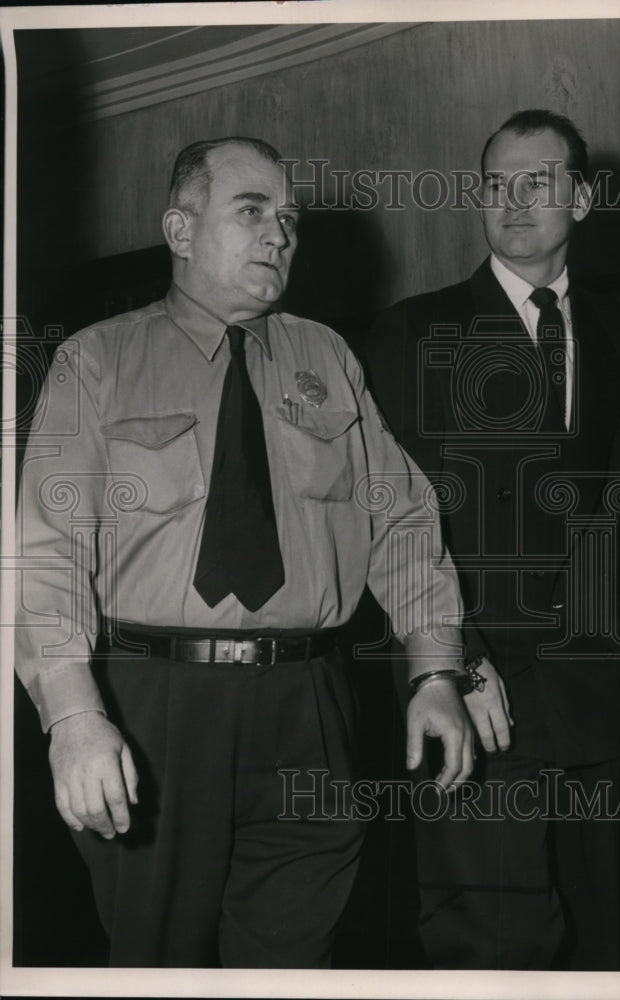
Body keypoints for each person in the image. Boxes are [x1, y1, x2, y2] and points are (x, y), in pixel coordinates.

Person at [14, 136, 475, 968]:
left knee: (296, 961)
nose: (280, 234)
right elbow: (44, 551)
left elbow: (401, 517)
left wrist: (437, 672)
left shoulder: (326, 357)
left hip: (311, 703)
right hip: (155, 708)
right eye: (253, 210)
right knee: (160, 963)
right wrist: (74, 716)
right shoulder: (97, 361)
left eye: (289, 219)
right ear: (180, 230)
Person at [363, 109, 620, 970]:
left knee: (599, 939)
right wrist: (454, 665)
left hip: (594, 691)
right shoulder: (412, 334)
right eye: (497, 184)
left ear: (584, 197)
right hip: (475, 698)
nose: (514, 201)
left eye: (538, 180)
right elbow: (392, 522)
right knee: (490, 945)